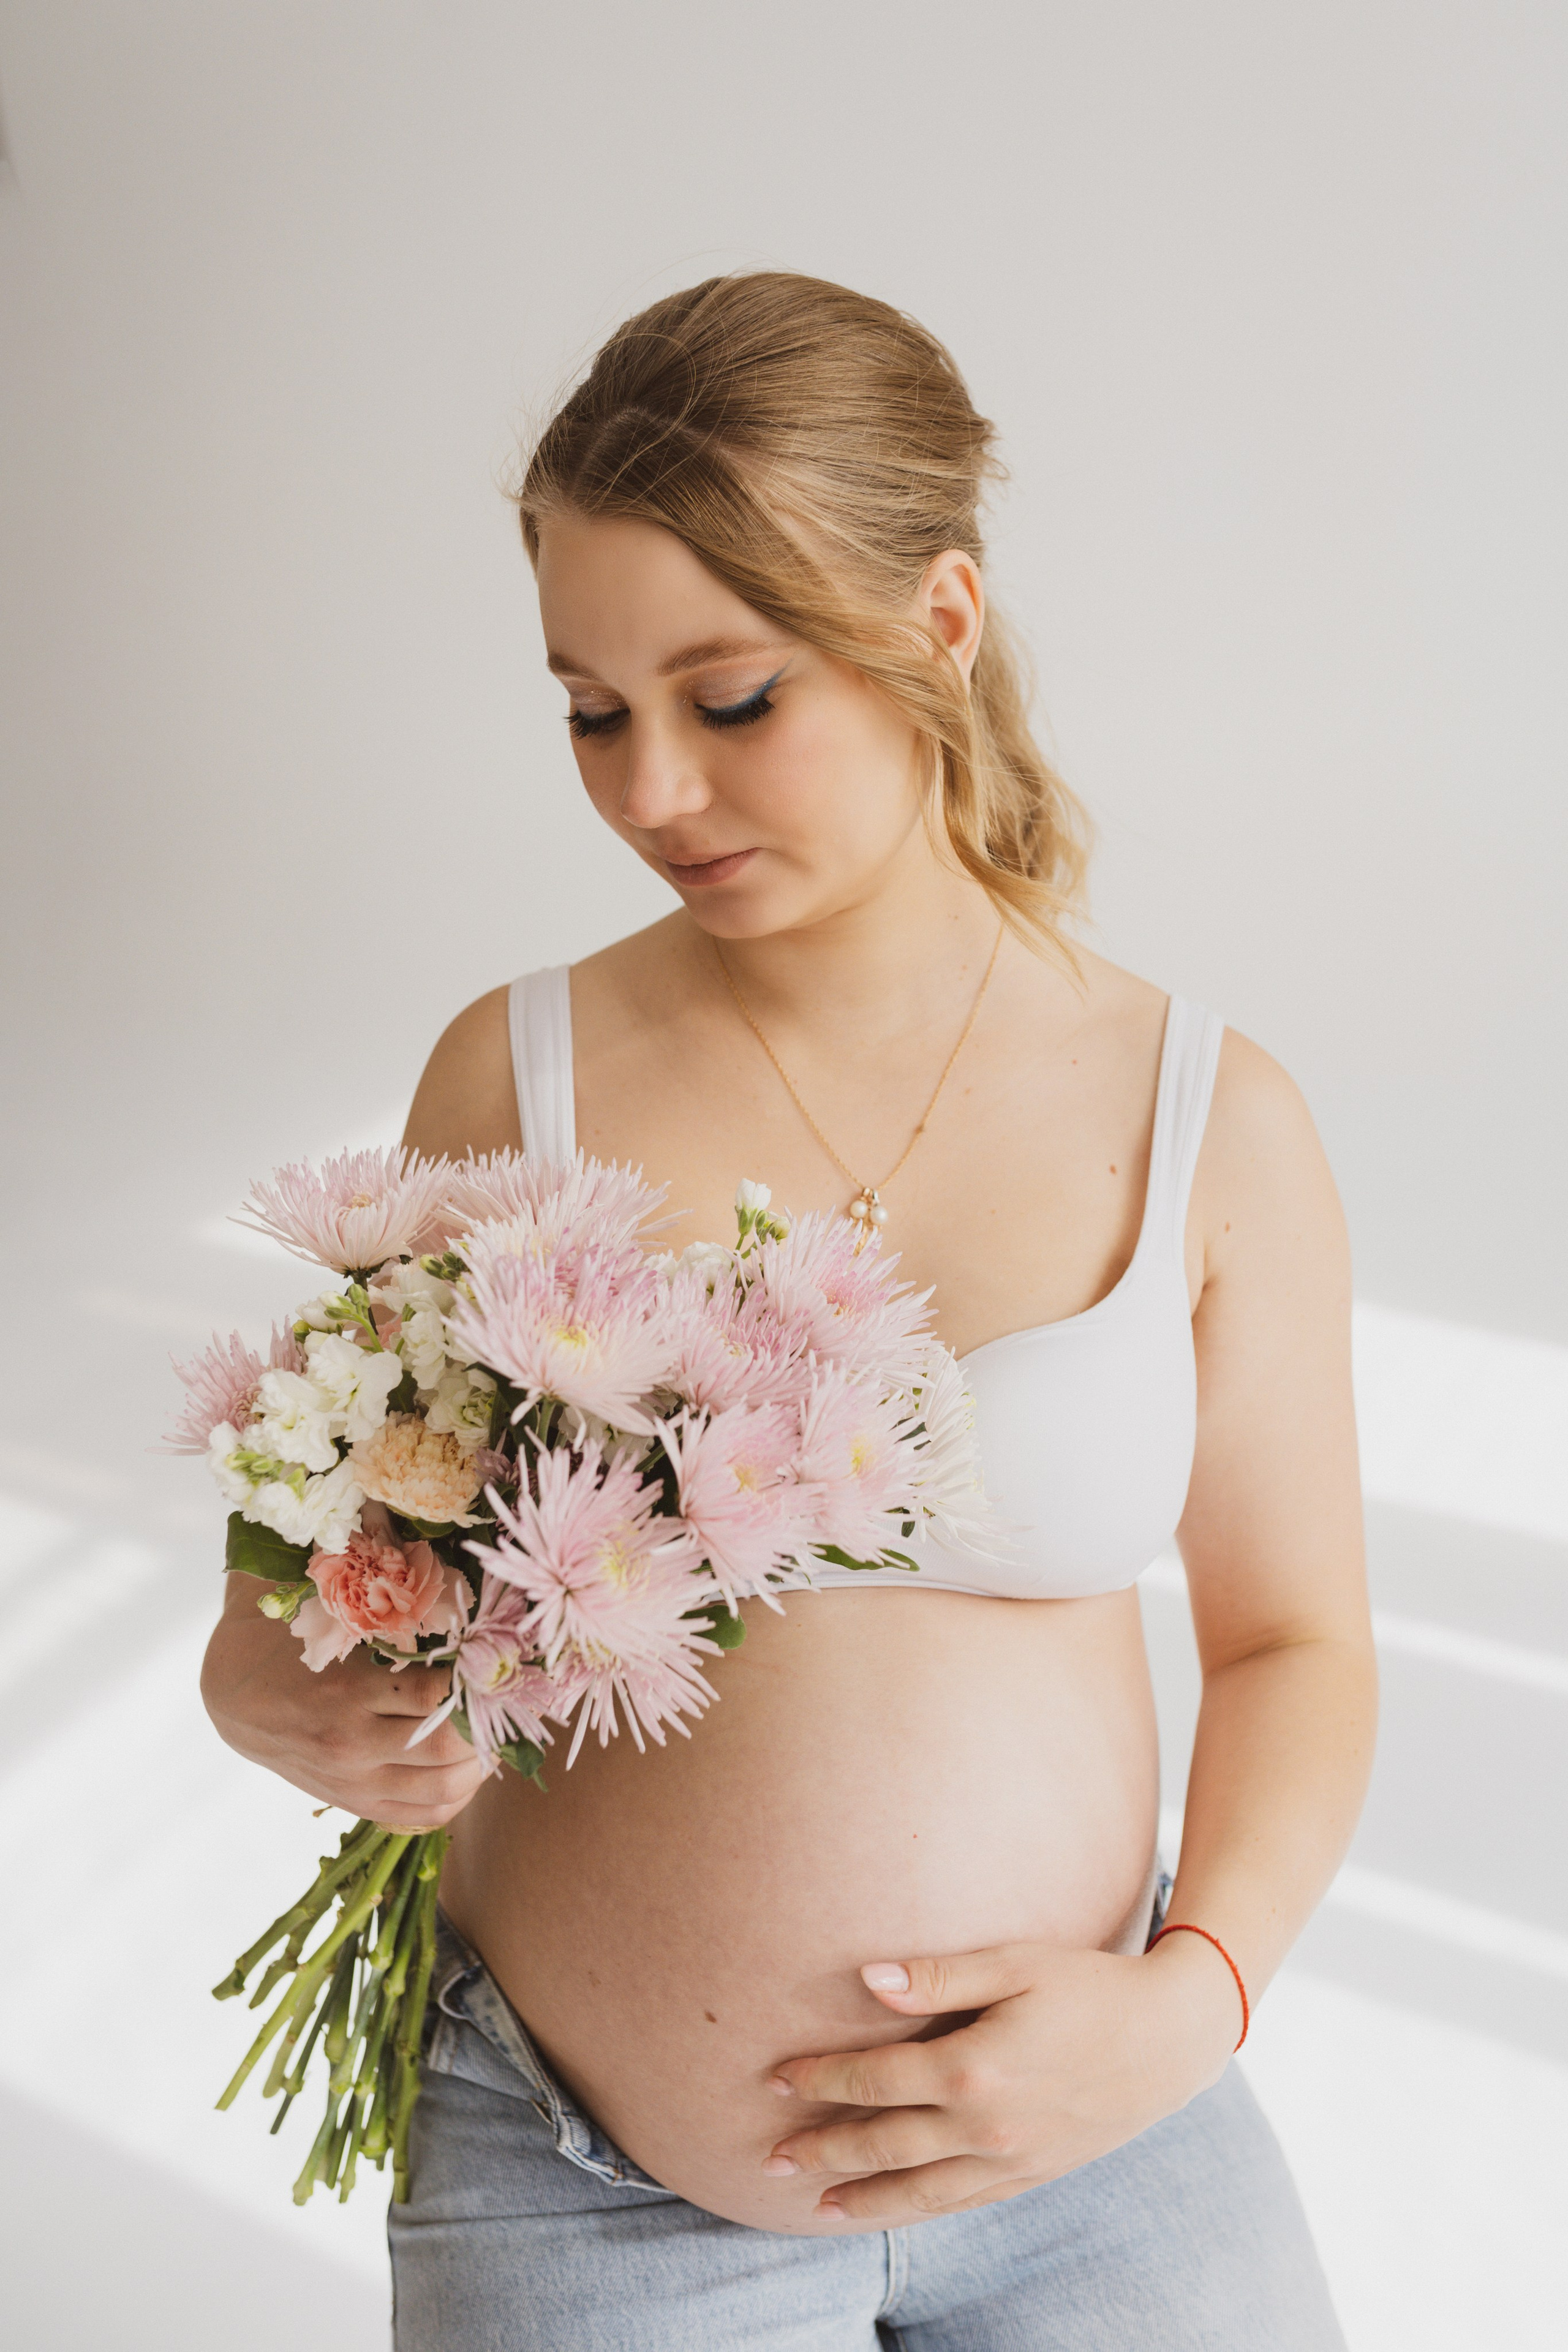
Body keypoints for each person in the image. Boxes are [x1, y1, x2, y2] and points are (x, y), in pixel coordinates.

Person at [203, 272, 1374, 2349]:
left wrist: (1190, 2003)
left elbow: (1294, 1639)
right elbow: (347, 1562)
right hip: (586, 2191)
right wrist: (276, 1694)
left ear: (938, 618)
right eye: (589, 708)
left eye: (729, 699)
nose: (653, 790)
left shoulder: (1209, 1116)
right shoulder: (521, 1074)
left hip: (1104, 2155)